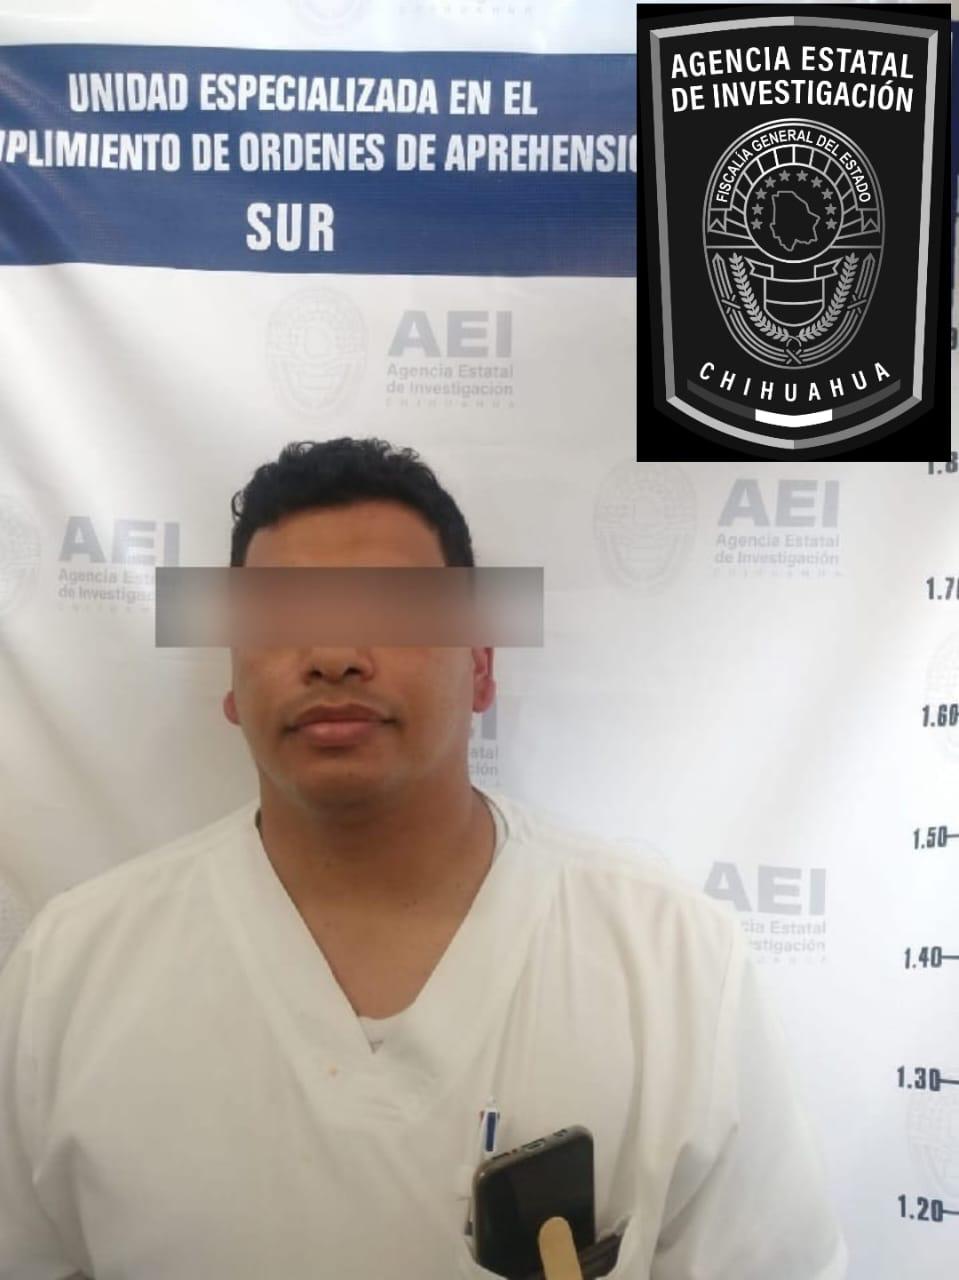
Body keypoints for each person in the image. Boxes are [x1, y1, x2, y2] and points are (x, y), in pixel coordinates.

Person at [0, 438, 848, 1278]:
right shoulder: (69, 973)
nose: (333, 657)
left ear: (480, 667)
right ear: (231, 680)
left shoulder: (671, 964)